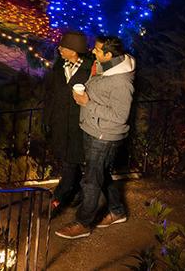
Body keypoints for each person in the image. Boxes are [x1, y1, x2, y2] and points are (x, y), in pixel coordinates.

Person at [55, 36, 135, 240]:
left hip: (103, 136)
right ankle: (117, 211)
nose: (93, 52)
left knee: (90, 180)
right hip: (94, 130)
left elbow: (120, 116)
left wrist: (87, 102)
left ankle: (83, 223)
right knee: (102, 174)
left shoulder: (121, 82)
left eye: (98, 51)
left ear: (109, 54)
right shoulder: (106, 66)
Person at [41, 31, 95, 216]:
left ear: (74, 51)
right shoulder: (59, 66)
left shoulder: (91, 69)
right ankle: (76, 192)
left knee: (70, 163)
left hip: (79, 125)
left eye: (63, 47)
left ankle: (57, 201)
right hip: (60, 123)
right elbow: (50, 95)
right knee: (70, 161)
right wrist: (46, 119)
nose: (59, 49)